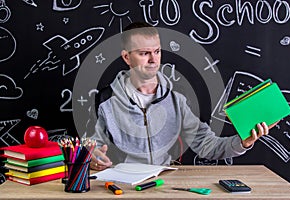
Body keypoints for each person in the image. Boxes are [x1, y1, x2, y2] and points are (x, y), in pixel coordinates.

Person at [90, 22, 274, 171]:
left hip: (163, 184)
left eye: (157, 51)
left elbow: (206, 145)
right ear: (127, 57)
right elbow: (91, 146)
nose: (154, 60)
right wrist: (95, 157)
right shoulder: (106, 100)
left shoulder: (176, 99)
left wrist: (243, 142)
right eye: (144, 53)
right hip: (122, 186)